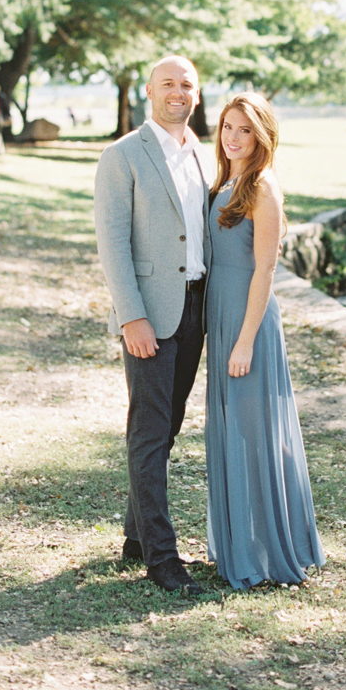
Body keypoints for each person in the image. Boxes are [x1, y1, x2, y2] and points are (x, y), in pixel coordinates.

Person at [94, 55, 210, 594]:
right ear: (149, 91)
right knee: (148, 429)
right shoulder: (123, 155)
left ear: (198, 94)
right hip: (149, 313)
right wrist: (131, 316)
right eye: (168, 83)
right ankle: (162, 559)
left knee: (166, 428)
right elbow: (113, 244)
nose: (178, 91)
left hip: (195, 309)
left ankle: (136, 537)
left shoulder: (202, 155)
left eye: (187, 84)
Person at [205, 92, 325, 589]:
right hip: (222, 312)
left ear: (262, 136)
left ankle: (270, 553)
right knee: (233, 429)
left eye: (245, 130)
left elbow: (266, 269)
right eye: (228, 127)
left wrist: (245, 341)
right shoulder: (228, 179)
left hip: (247, 320)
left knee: (254, 434)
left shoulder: (263, 188)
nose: (233, 137)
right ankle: (239, 545)